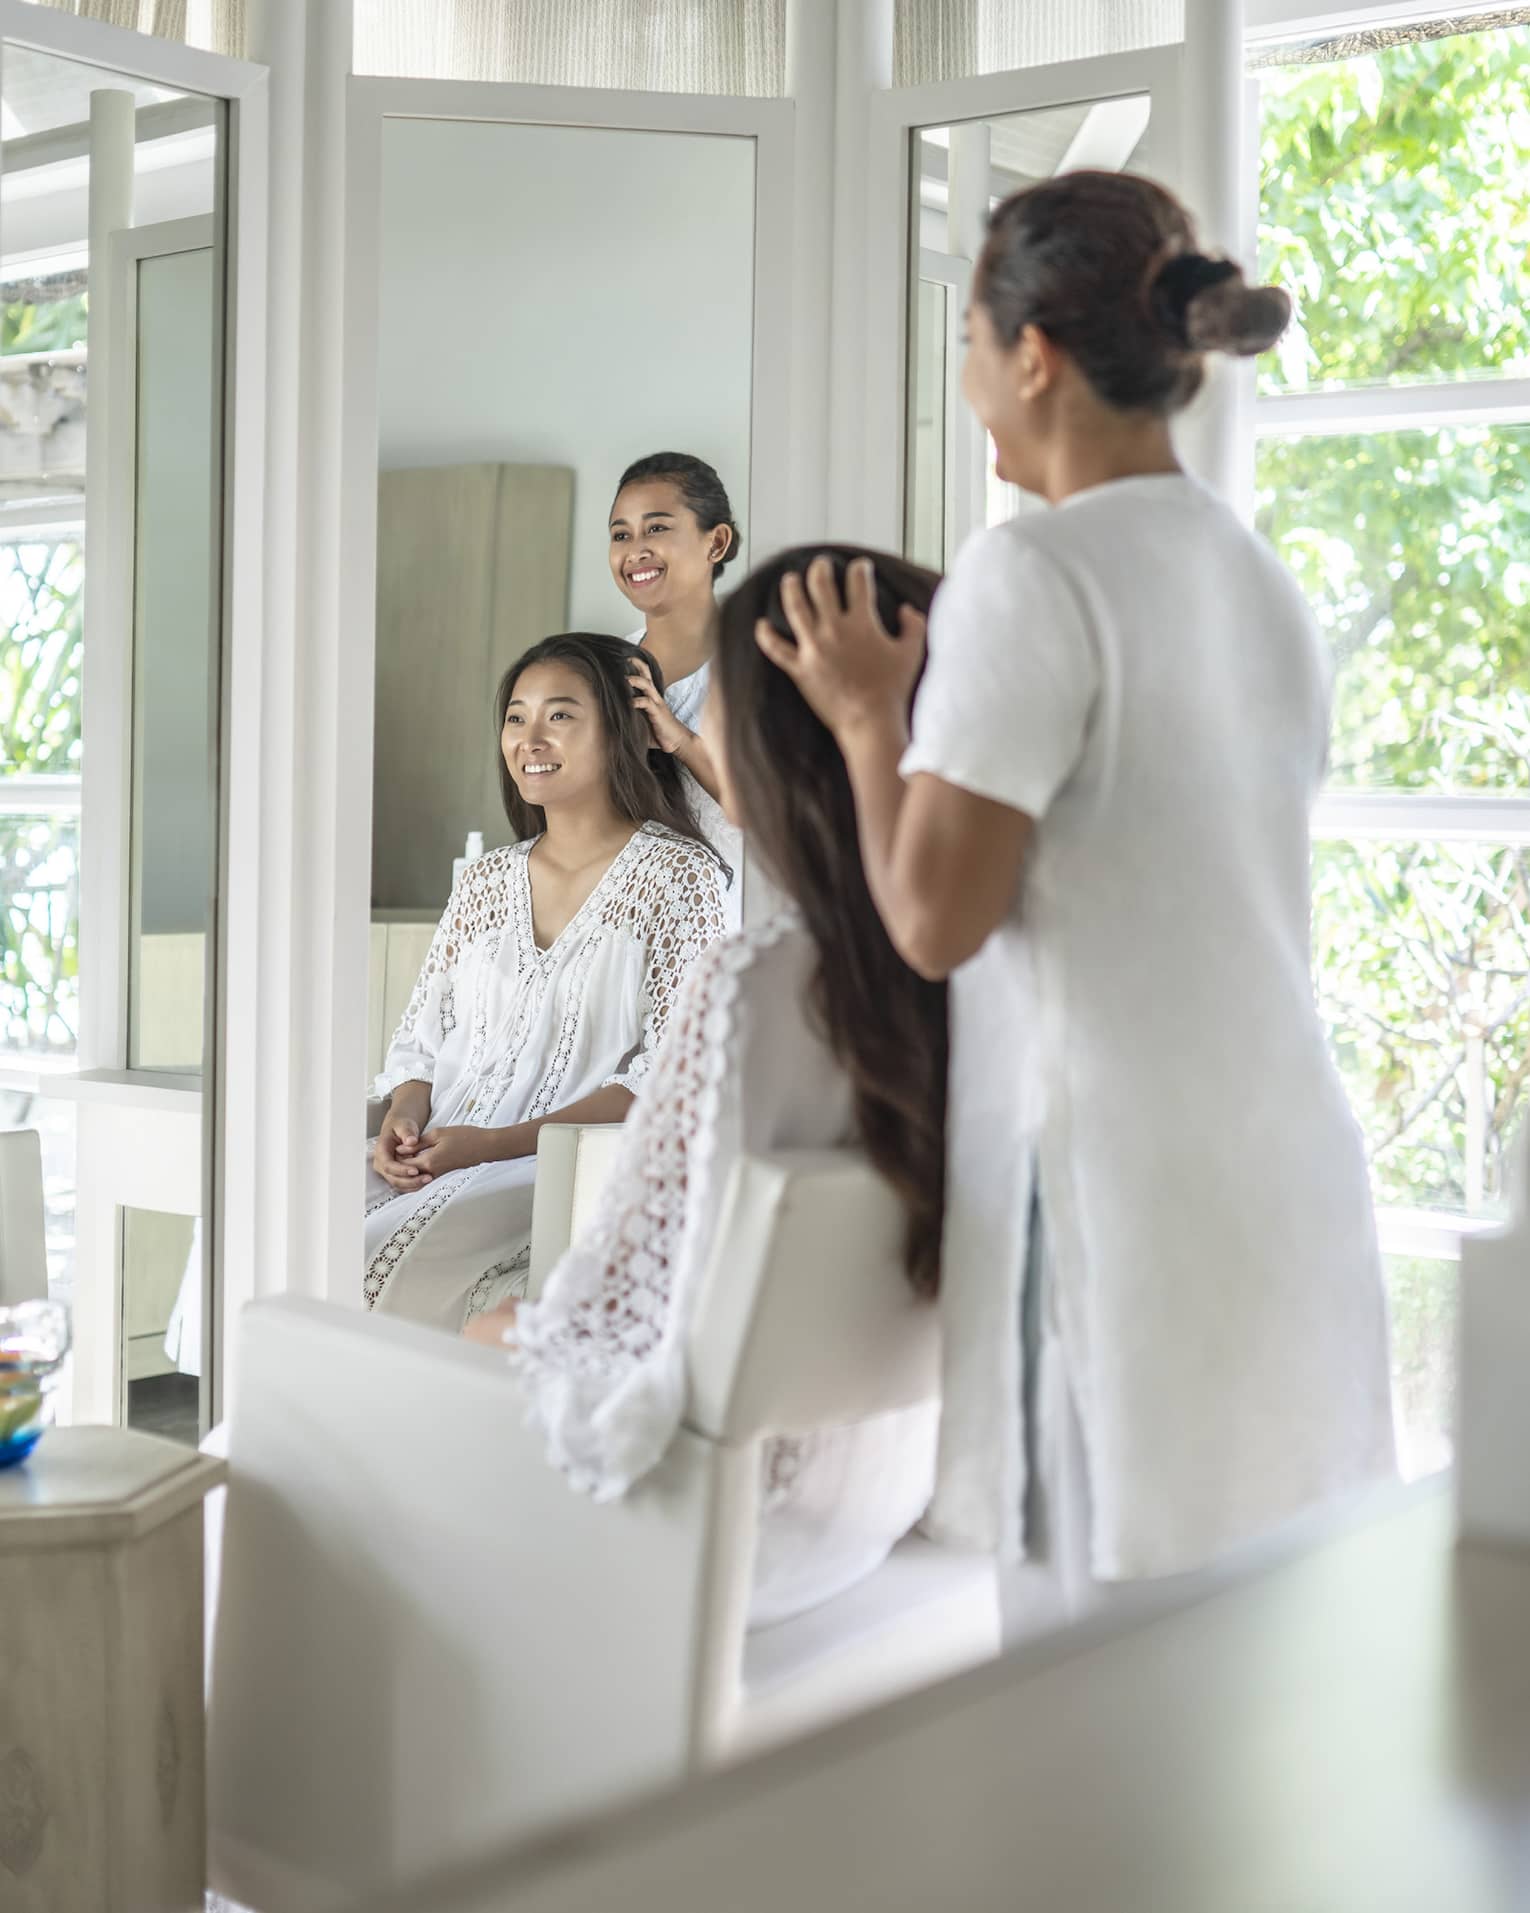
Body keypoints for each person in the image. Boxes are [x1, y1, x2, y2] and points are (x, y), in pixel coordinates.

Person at [758, 172, 1396, 1622]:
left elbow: (932, 919)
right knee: (1259, 1665)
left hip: (1118, 1209)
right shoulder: (1256, 580)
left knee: (1098, 1719)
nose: (968, 380)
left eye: (970, 341)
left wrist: (869, 714)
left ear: (1030, 353)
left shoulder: (1029, 576)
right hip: (1283, 1185)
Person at [467, 549, 945, 1630]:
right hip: (873, 1502)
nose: (693, 741)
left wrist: (502, 1331)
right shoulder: (972, 981)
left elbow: (621, 1317)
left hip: (716, 1520)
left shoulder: (753, 983)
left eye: (713, 710)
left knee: (473, 1337)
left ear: (774, 746)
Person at [366, 633, 727, 1331]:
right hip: (440, 1152)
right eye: (515, 716)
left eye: (560, 715)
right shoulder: (485, 881)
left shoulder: (682, 879)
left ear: (622, 732)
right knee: (274, 1232)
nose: (530, 737)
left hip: (560, 1171)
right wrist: (402, 1118)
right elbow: (419, 1041)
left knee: (357, 1261)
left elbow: (671, 1077)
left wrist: (495, 1144)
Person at [608, 451, 745, 922]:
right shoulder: (603, 669)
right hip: (626, 935)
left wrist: (682, 742)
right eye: (621, 534)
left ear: (717, 542)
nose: (635, 549)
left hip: (734, 931)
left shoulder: (763, 662)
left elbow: (780, 813)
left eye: (657, 528)